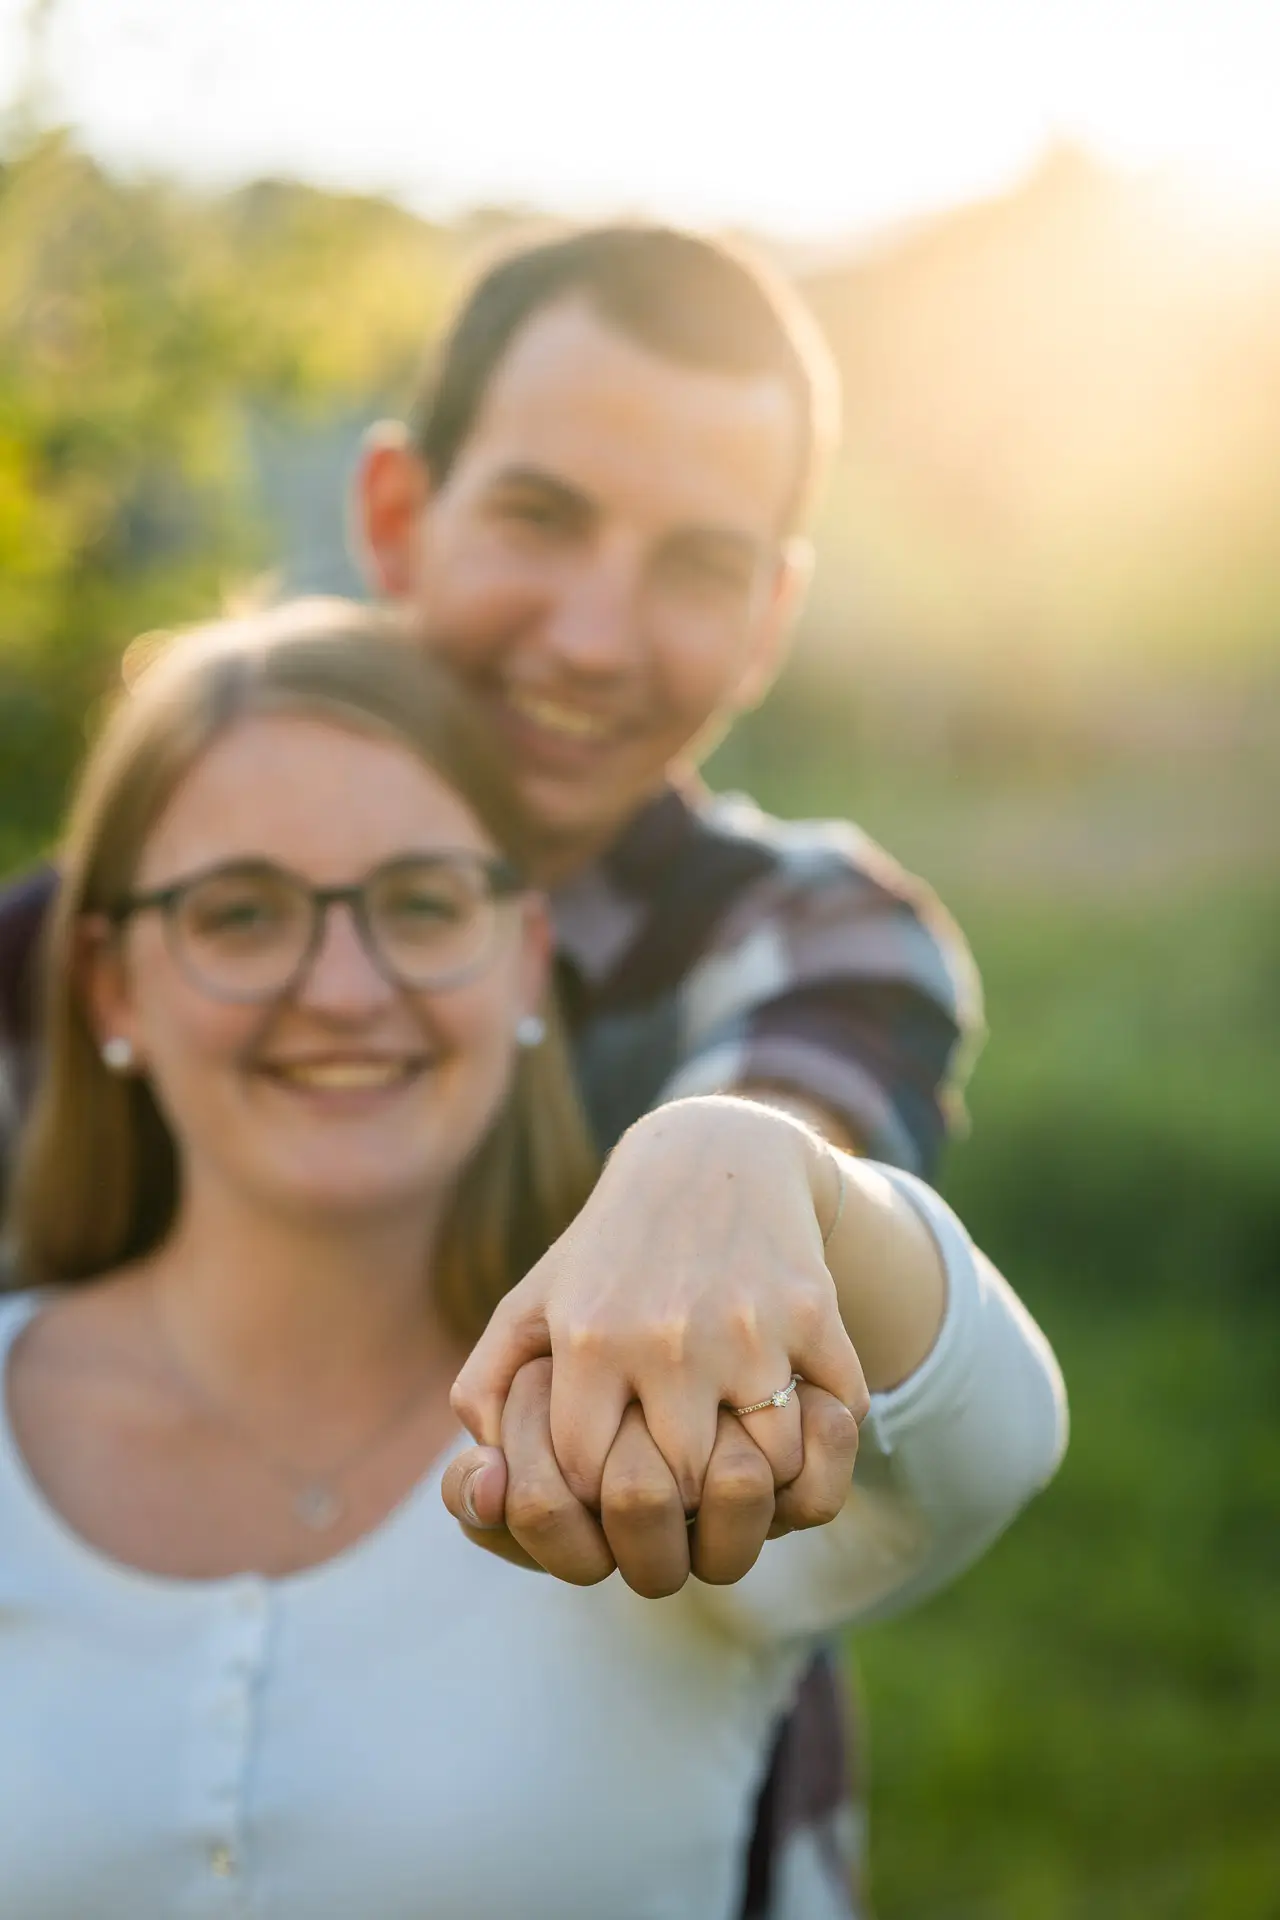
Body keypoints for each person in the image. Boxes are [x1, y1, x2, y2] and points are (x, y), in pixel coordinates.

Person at [0, 224, 986, 1916]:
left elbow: (807, 1155)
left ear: (768, 618)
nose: (596, 637)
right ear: (398, 515)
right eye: (540, 518)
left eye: (694, 563)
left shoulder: (801, 932)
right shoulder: (63, 956)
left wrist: (735, 1155)